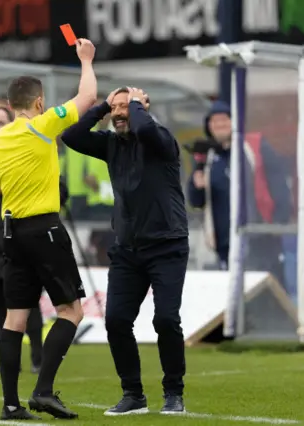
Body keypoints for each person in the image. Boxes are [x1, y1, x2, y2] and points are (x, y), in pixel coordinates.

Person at [0, 38, 98, 421]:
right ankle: (43, 390)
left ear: (8, 105)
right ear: (39, 103)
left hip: (11, 234)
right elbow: (88, 95)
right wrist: (86, 59)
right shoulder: (43, 125)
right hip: (45, 230)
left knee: (14, 318)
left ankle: (10, 405)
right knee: (71, 311)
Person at [60, 86, 189, 415]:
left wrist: (135, 105)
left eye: (126, 107)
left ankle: (174, 392)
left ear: (144, 107)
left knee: (166, 320)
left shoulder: (160, 139)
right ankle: (133, 395)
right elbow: (71, 135)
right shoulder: (112, 144)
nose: (120, 113)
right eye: (115, 108)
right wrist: (102, 106)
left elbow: (144, 128)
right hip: (128, 251)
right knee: (116, 320)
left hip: (167, 246)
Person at [0, 106, 69, 375]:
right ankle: (8, 362)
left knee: (28, 300)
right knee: (3, 301)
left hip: (22, 233)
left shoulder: (30, 150)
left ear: (10, 122)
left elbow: (60, 187)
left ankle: (37, 356)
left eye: (1, 121)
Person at [187, 101, 290, 285]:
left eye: (224, 120)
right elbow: (196, 201)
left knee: (267, 288)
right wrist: (197, 185)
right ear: (208, 126)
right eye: (214, 122)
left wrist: (276, 225)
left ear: (234, 122)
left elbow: (278, 185)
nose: (220, 125)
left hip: (259, 237)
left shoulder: (254, 147)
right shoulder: (207, 156)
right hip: (224, 243)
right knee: (233, 292)